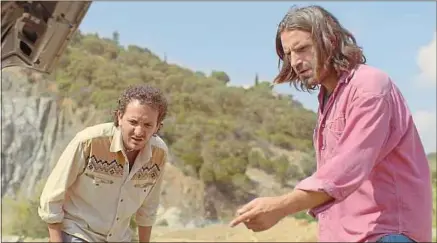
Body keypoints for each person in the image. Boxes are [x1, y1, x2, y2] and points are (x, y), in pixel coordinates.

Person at [229, 5, 432, 243]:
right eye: (288, 54)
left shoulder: (369, 86)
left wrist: (281, 206)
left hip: (386, 233)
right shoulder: (329, 98)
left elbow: (346, 169)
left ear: (331, 41)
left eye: (302, 49)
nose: (295, 61)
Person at [38, 84, 169, 242]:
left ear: (157, 126)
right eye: (133, 122)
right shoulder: (88, 142)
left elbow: (148, 208)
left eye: (148, 125)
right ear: (120, 117)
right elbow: (52, 197)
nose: (139, 132)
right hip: (78, 233)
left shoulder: (159, 153)